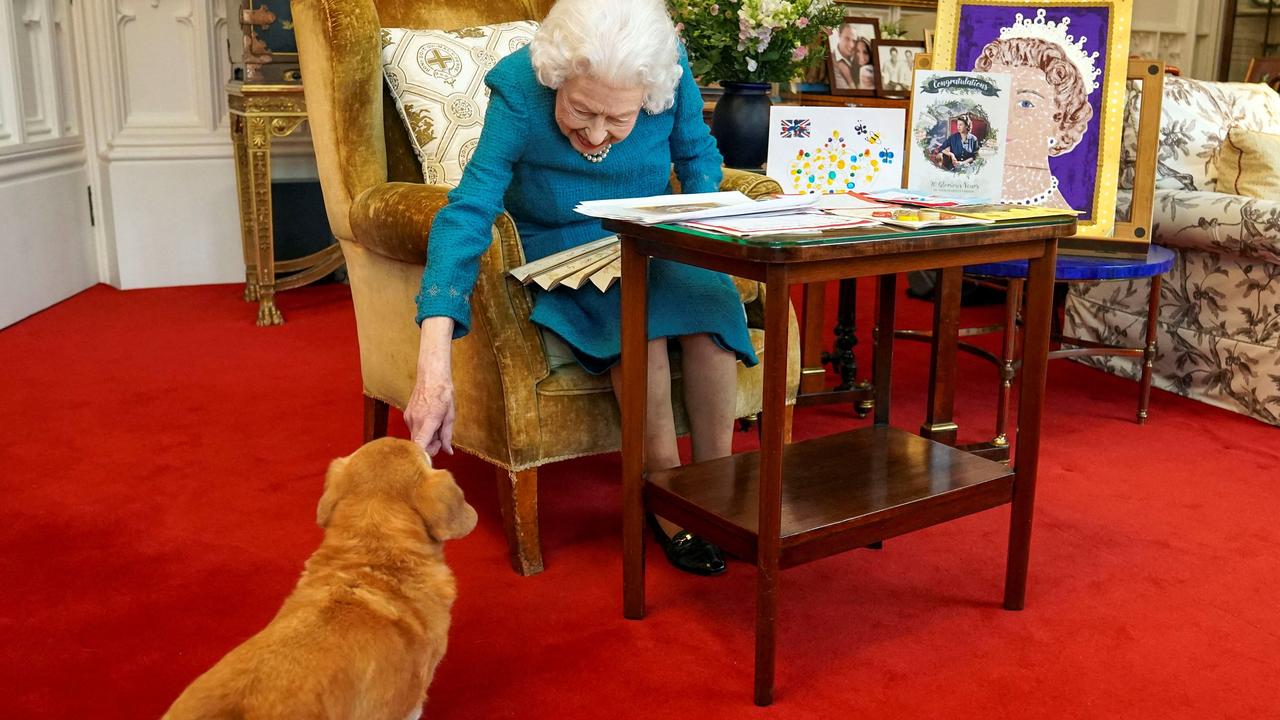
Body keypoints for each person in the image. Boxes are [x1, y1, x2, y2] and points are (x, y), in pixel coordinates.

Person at [404, 0, 756, 577]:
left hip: (648, 233)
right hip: (560, 245)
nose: (597, 135)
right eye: (581, 111)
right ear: (557, 75)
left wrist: (705, 236)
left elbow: (697, 159)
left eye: (619, 119)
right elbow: (468, 209)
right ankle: (666, 498)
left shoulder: (669, 71)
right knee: (634, 321)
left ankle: (715, 489)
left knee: (709, 304)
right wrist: (433, 356)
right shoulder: (521, 86)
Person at [974, 36, 1093, 208]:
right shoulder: (954, 198)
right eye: (994, 99)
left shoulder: (1057, 215)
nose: (1005, 117)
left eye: (1025, 104)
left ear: (1059, 120)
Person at [830, 24, 858, 89]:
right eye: (847, 39)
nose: (851, 45)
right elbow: (845, 91)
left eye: (854, 41)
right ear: (839, 36)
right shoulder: (831, 60)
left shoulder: (858, 59)